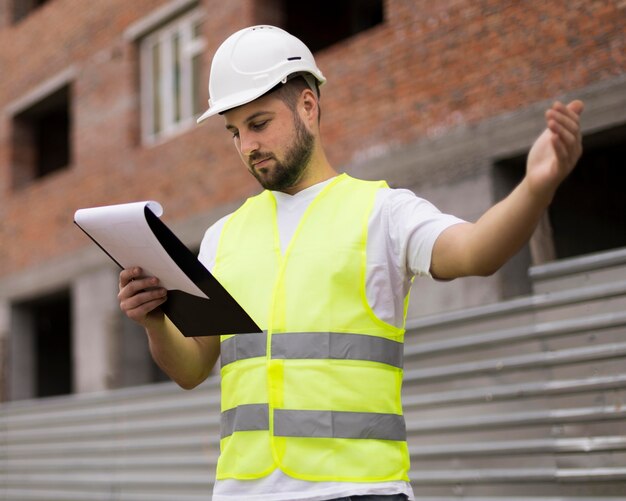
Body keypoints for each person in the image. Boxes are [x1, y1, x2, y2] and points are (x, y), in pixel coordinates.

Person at [118, 25, 584, 501]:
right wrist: (155, 321)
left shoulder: (382, 211)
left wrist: (535, 187)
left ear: (308, 106)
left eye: (259, 124)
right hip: (244, 492)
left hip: (360, 490)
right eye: (234, 132)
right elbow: (192, 368)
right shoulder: (222, 237)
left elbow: (476, 251)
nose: (247, 146)